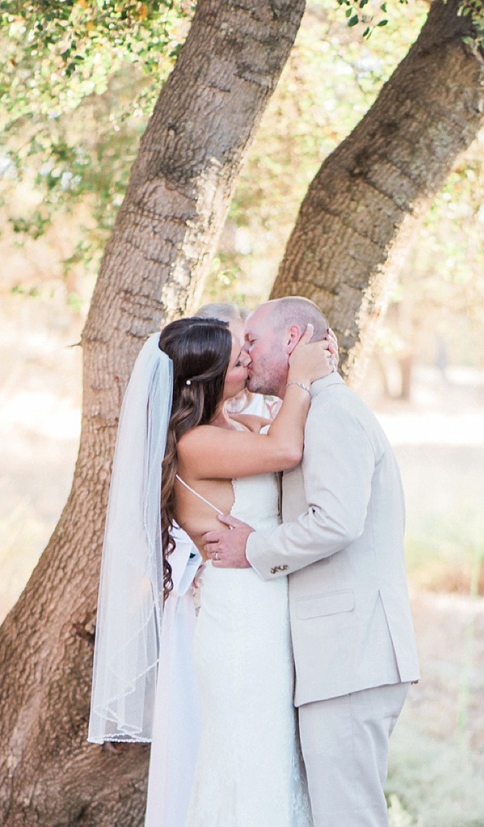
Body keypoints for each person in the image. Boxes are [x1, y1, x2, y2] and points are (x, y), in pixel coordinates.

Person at [88, 315, 333, 826]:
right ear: (207, 378)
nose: (247, 357)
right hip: (240, 620)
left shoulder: (234, 426)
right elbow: (286, 448)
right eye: (237, 358)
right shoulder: (195, 443)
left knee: (270, 757)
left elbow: (301, 439)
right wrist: (303, 377)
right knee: (249, 763)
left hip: (264, 611)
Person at [203, 296, 420, 827]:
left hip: (351, 655)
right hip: (341, 656)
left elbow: (337, 521)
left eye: (252, 342)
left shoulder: (333, 413)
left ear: (293, 340)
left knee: (349, 818)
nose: (246, 355)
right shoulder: (311, 409)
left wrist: (253, 547)